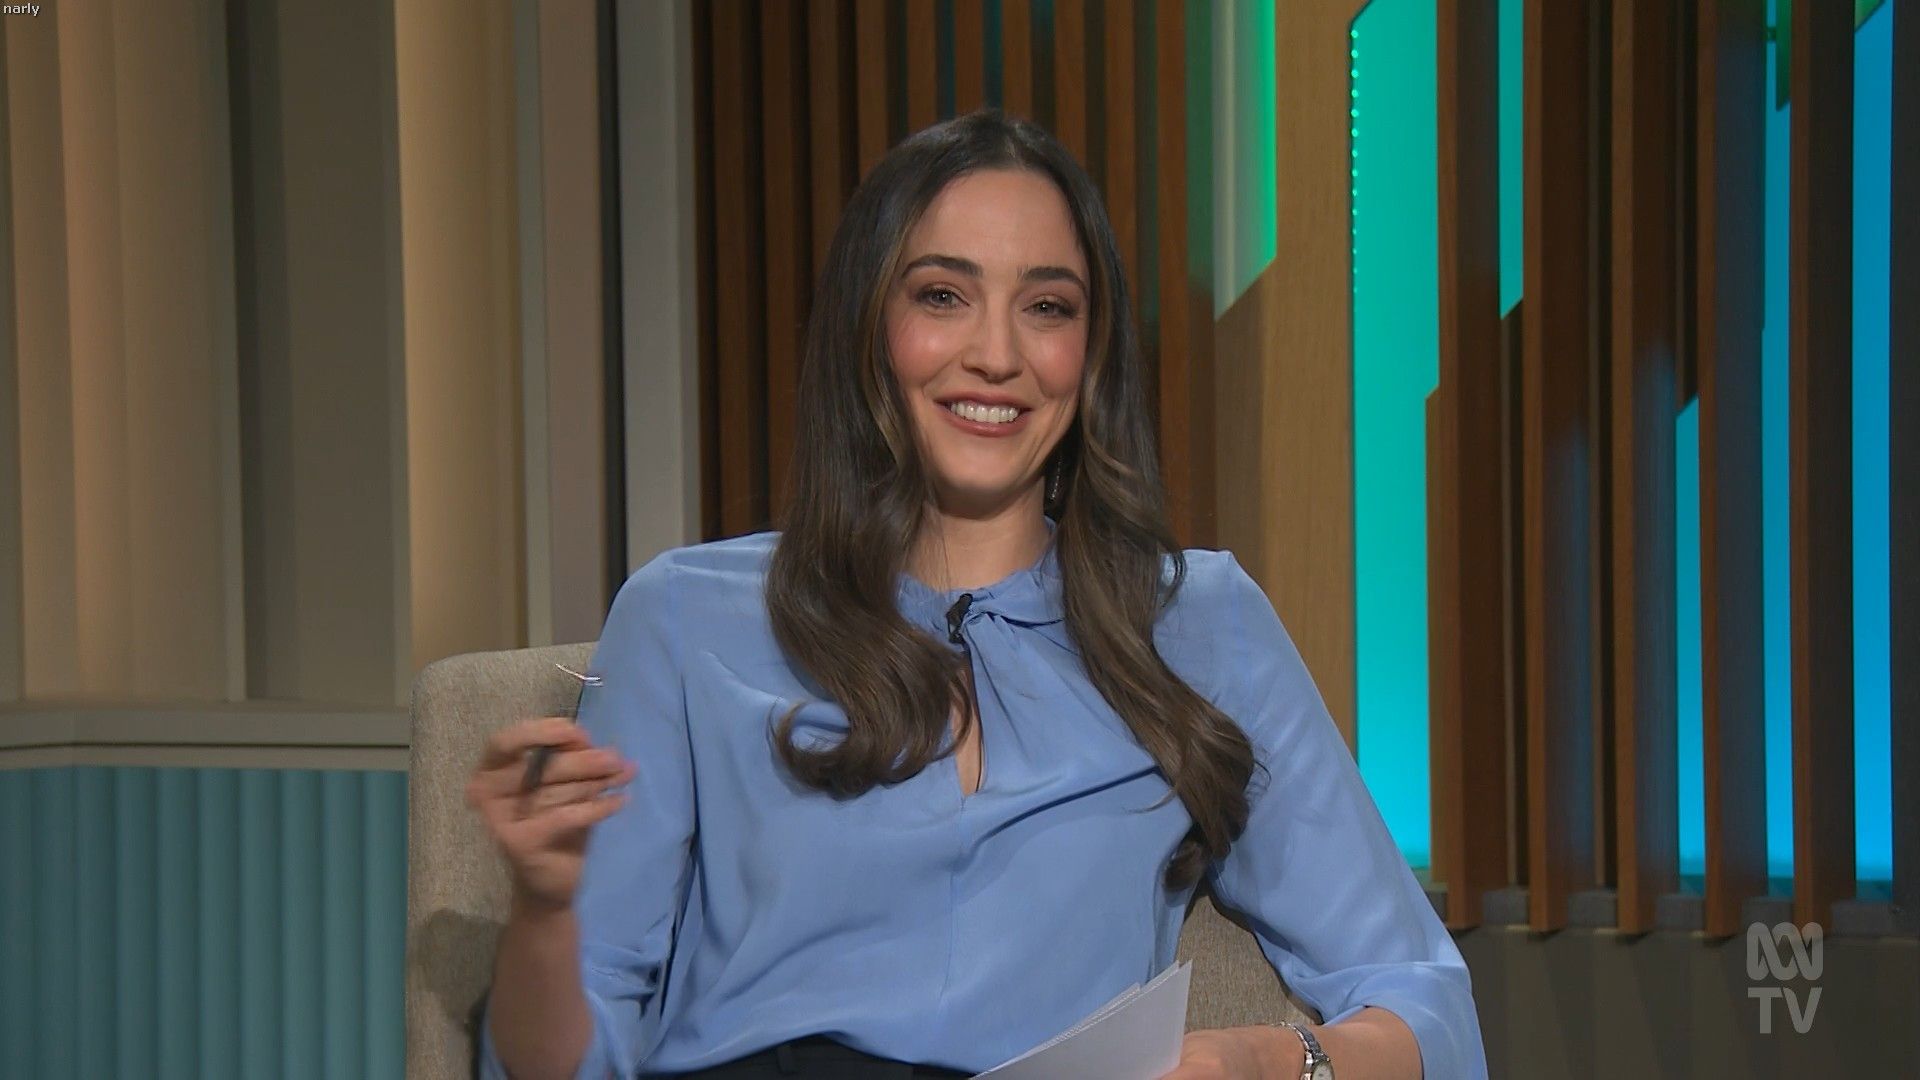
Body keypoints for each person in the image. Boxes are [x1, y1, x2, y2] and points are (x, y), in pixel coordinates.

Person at [468, 108, 1488, 1080]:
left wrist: (1262, 1060)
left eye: (1047, 308)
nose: (996, 356)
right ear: (871, 324)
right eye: (942, 296)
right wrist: (546, 912)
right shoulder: (685, 616)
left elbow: (1424, 1002)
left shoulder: (1199, 624)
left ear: (1091, 352)